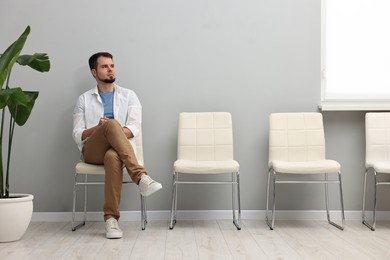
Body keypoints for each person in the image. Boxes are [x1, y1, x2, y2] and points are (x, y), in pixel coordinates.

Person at [72, 52, 162, 239]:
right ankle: (141, 177)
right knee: (111, 124)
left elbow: (135, 128)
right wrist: (99, 128)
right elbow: (77, 134)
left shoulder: (129, 95)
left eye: (112, 65)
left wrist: (112, 130)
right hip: (92, 151)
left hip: (118, 152)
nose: (110, 69)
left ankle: (111, 220)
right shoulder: (84, 99)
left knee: (113, 155)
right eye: (104, 66)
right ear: (94, 72)